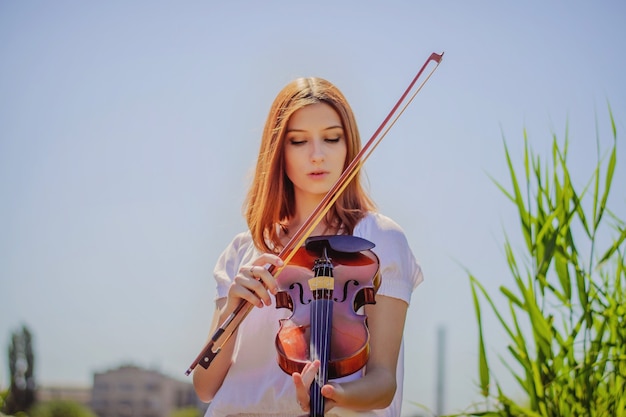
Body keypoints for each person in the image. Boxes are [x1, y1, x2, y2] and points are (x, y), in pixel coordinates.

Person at [192, 77, 423, 417]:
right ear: (279, 152)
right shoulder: (245, 249)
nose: (317, 155)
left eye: (332, 138)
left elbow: (383, 383)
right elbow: (205, 386)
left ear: (349, 145)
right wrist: (232, 312)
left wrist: (334, 396)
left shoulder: (380, 238)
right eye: (298, 142)